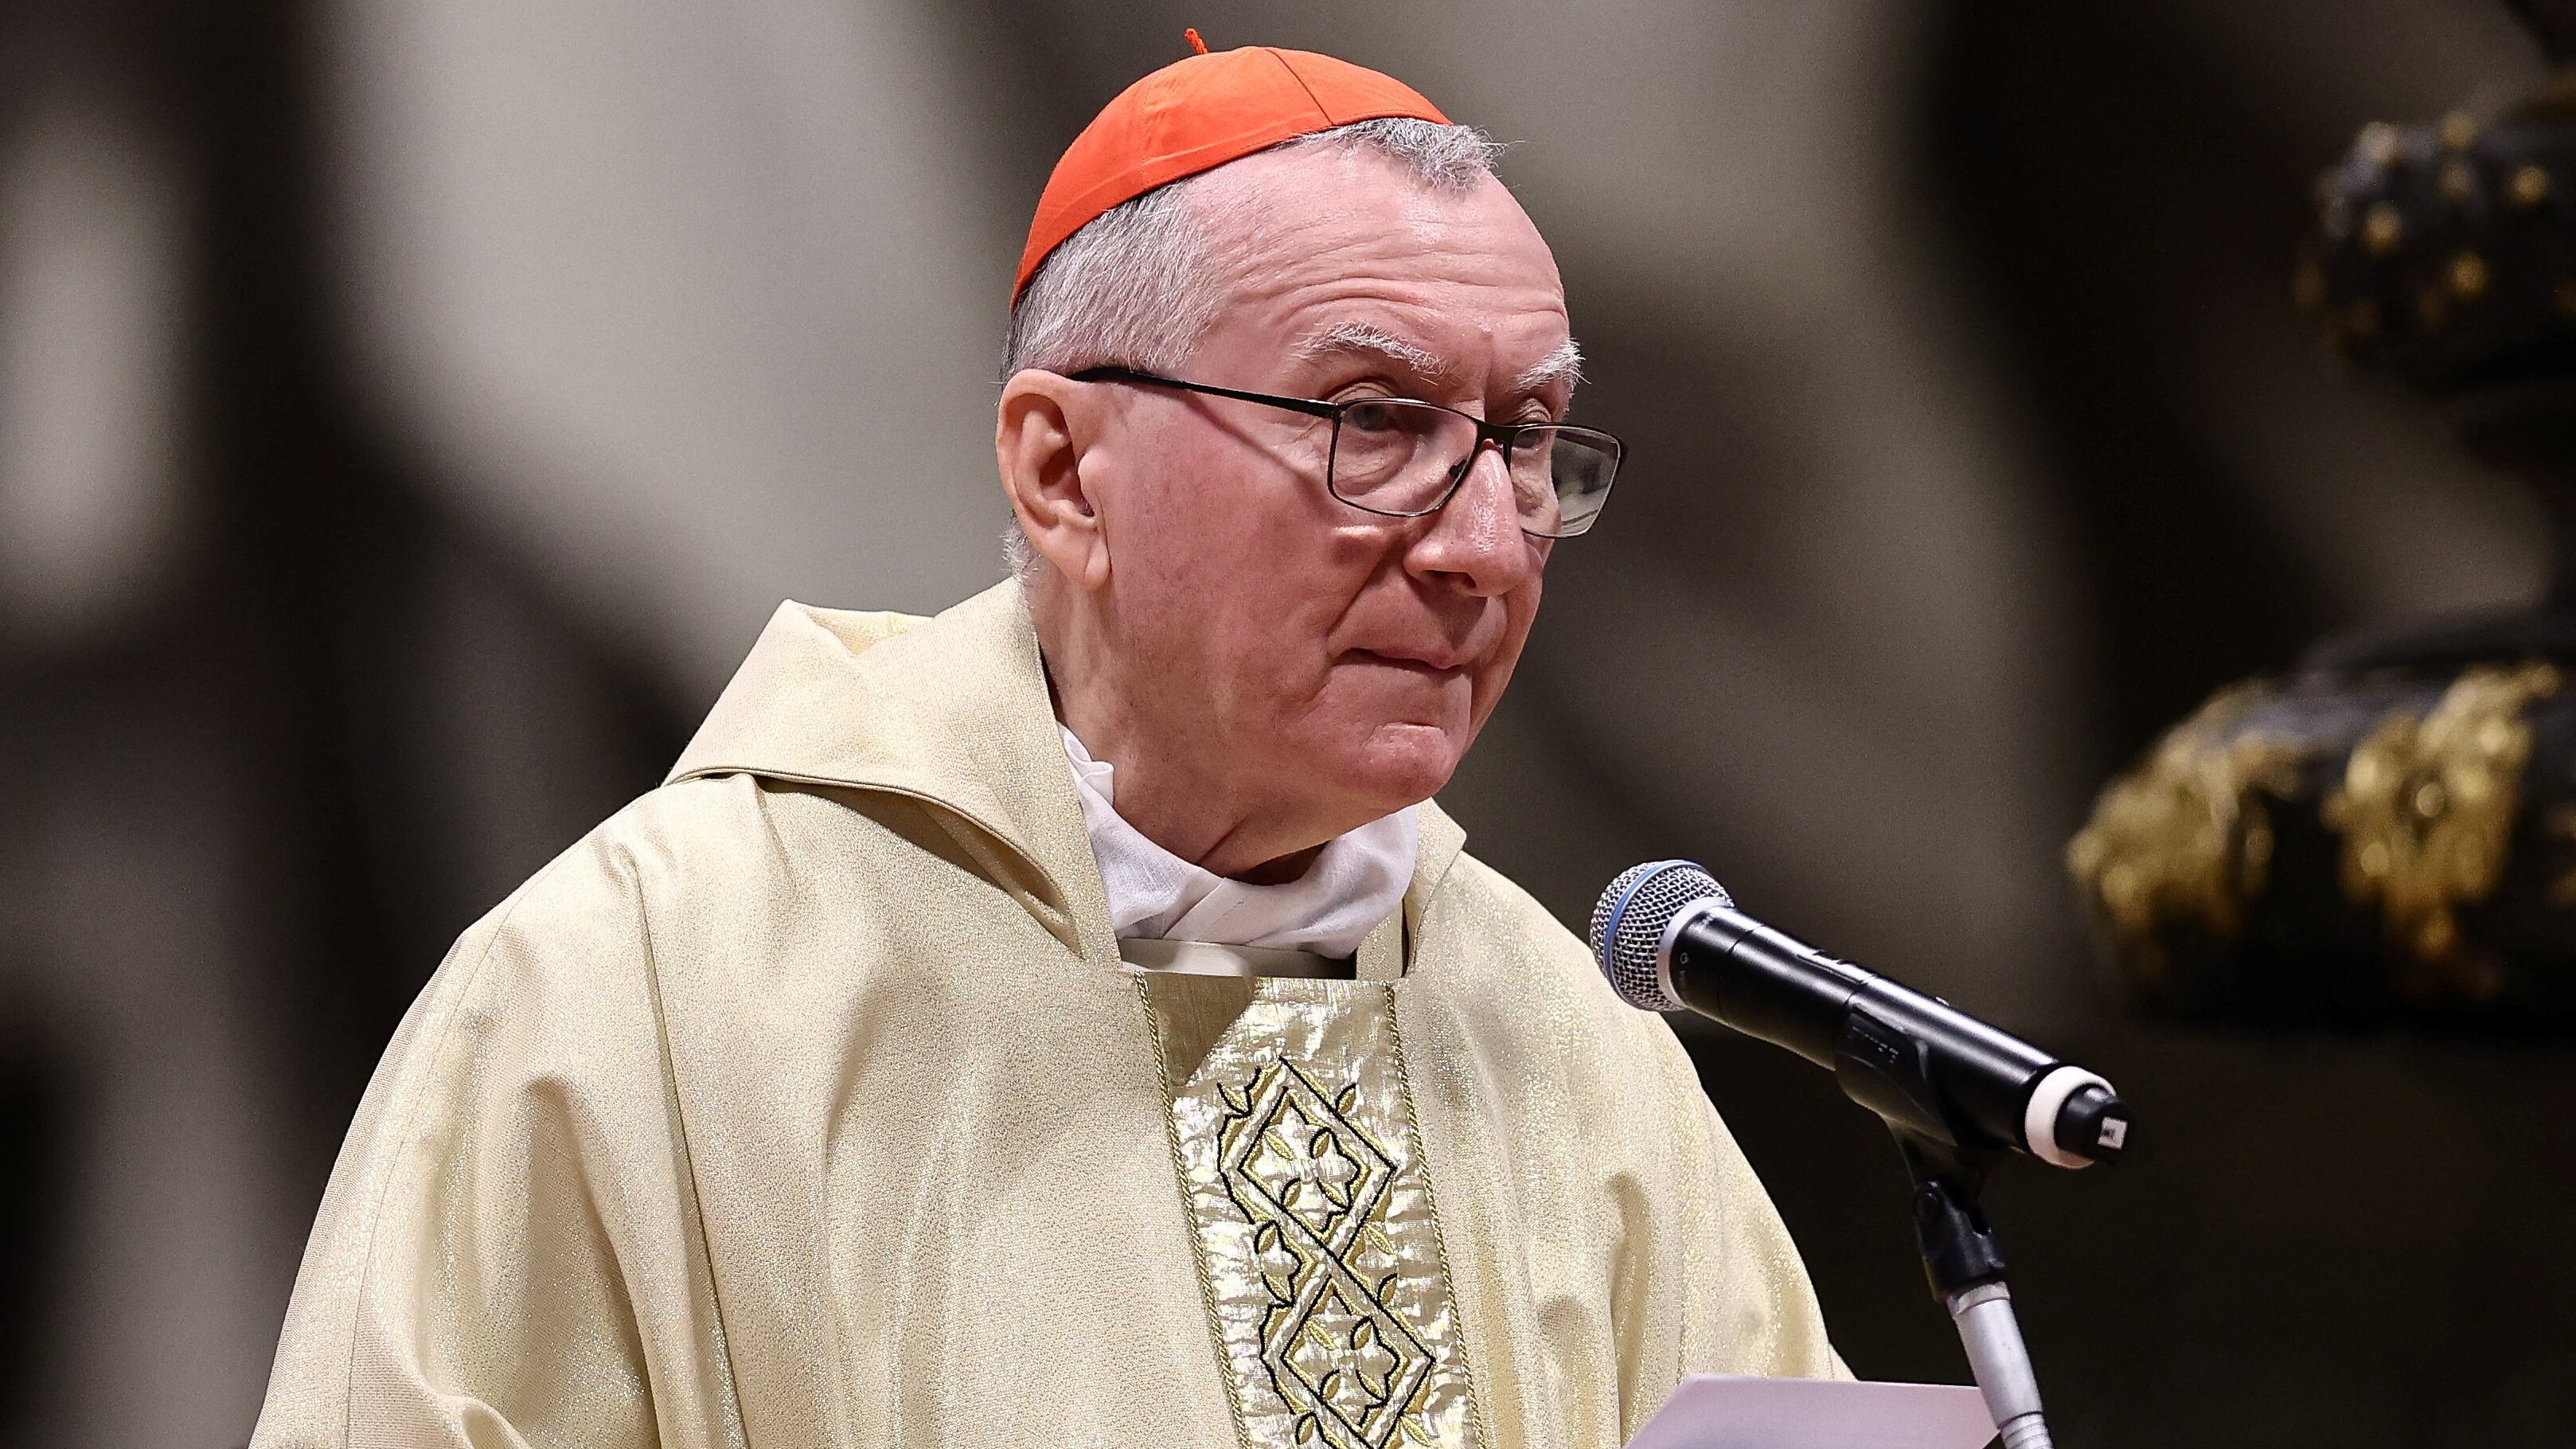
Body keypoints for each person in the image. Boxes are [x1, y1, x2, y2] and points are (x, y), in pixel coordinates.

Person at [251, 39, 1840, 1449]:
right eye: (1373, 423)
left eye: (1524, 443)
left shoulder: (1561, 1032)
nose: (1484, 544)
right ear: (1066, 472)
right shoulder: (635, 996)